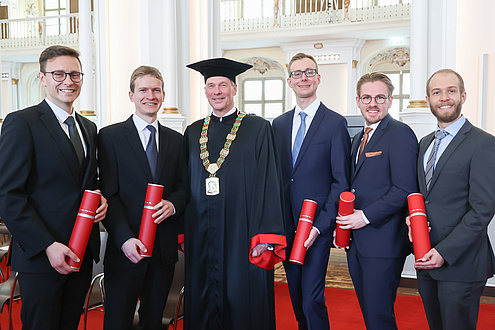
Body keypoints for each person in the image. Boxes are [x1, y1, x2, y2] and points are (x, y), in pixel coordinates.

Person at [0, 45, 107, 330]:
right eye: (58, 74)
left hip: (81, 252)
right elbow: (9, 196)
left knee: (69, 324)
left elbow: (86, 181)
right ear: (42, 78)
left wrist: (101, 199)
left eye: (74, 74)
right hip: (43, 255)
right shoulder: (22, 123)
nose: (68, 81)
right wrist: (48, 245)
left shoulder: (88, 128)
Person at [183, 57, 287, 330]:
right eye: (210, 86)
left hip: (244, 232)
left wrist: (265, 234)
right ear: (205, 90)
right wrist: (183, 231)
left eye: (223, 85)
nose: (216, 91)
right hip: (202, 233)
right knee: (203, 295)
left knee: (243, 297)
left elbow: (269, 181)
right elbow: (184, 183)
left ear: (234, 89)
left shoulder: (258, 128)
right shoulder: (193, 132)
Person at [98, 65, 189, 330]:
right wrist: (125, 238)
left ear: (163, 94)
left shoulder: (176, 140)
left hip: (162, 249)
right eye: (143, 90)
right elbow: (109, 194)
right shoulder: (110, 137)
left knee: (154, 320)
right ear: (131, 95)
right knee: (118, 319)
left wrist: (173, 205)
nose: (150, 95)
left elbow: (184, 187)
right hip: (125, 248)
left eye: (156, 90)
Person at [409, 69, 495, 330]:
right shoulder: (424, 143)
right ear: (428, 99)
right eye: (437, 92)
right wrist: (411, 220)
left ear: (463, 96)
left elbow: (482, 209)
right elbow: (425, 198)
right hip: (426, 260)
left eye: (451, 91)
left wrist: (444, 252)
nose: (444, 98)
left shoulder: (483, 143)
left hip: (462, 264)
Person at [272, 52, 351, 330]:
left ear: (318, 78)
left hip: (316, 227)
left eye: (309, 72)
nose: (303, 77)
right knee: (295, 296)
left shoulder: (335, 122)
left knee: (312, 298)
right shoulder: (278, 125)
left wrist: (321, 226)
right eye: (297, 73)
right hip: (287, 226)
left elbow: (341, 181)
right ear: (289, 81)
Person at [336, 72, 418, 329]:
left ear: (390, 100)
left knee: (379, 315)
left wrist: (364, 216)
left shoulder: (400, 133)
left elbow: (404, 188)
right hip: (357, 242)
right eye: (367, 97)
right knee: (370, 312)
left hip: (383, 242)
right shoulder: (358, 138)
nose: (373, 103)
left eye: (380, 97)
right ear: (358, 101)